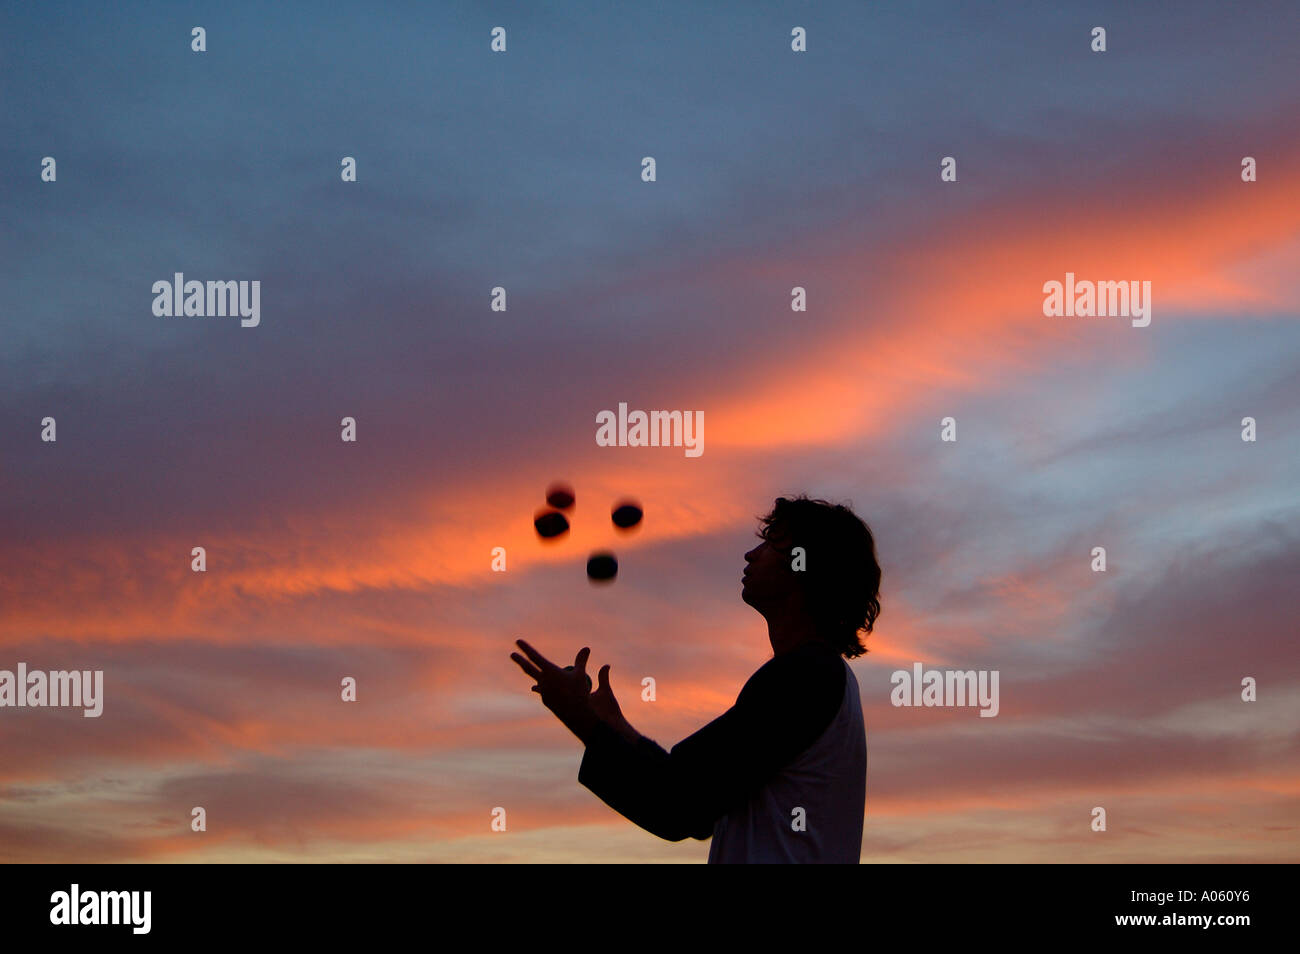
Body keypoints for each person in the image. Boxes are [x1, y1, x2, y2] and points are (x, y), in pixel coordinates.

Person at [510, 494, 881, 863]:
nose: (751, 554)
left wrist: (579, 716)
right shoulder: (819, 676)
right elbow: (697, 792)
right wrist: (615, 726)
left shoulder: (805, 677)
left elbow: (678, 804)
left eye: (770, 543)